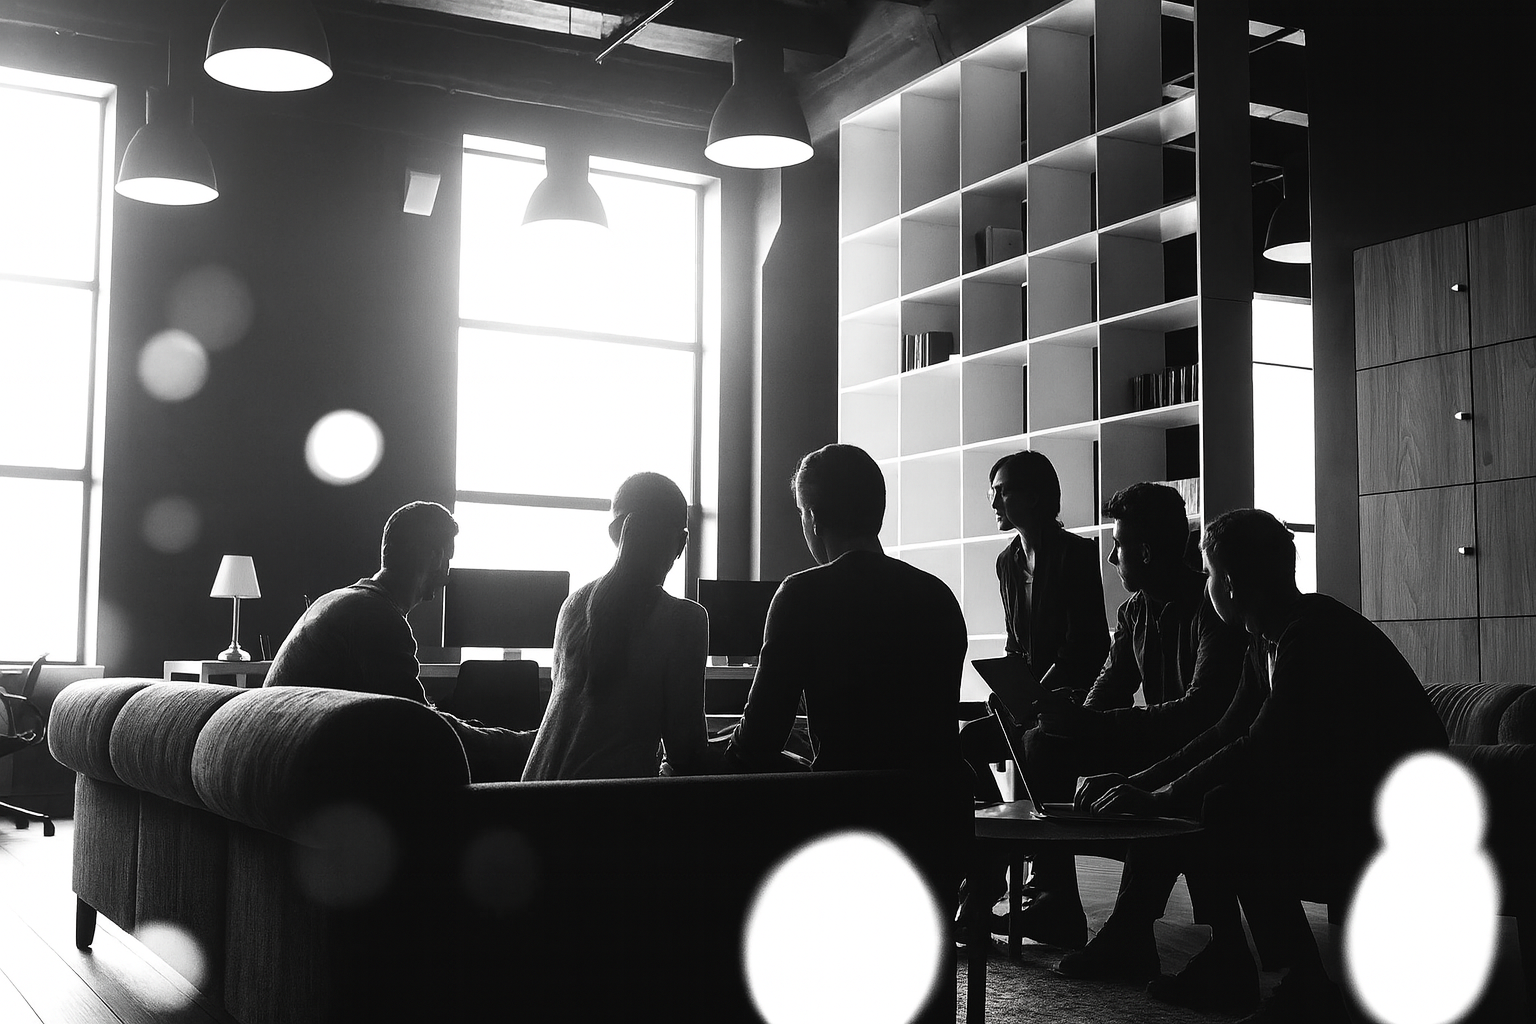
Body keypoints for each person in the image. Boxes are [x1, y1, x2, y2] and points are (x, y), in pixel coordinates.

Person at [1068, 510, 1447, 1022]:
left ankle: (1300, 986)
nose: (1205, 586)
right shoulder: (1266, 635)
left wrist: (1160, 796)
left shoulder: (1309, 634)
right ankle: (1239, 964)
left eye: (1208, 574)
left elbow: (1258, 744)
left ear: (1232, 581)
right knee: (1217, 798)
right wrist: (1138, 783)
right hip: (1354, 792)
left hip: (1398, 810)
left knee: (1227, 804)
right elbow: (1225, 732)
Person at [1001, 483, 1250, 949]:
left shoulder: (1213, 610)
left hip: (1197, 747)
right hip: (1158, 740)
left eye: (1118, 546)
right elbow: (1109, 684)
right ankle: (1056, 895)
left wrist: (1091, 724)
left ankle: (1126, 933)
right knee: (1042, 741)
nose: (1112, 559)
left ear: (1148, 552)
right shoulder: (1134, 611)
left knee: (1171, 789)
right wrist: (1072, 720)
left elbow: (1202, 710)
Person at [724, 444, 967, 775]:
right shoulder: (939, 596)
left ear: (815, 519)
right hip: (938, 807)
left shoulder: (801, 595)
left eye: (801, 512)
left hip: (849, 808)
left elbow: (758, 741)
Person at [265, 501, 534, 782]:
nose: (448, 574)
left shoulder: (343, 601)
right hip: (307, 777)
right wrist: (522, 745)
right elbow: (420, 729)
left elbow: (411, 716)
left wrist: (480, 733)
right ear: (435, 556)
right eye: (448, 559)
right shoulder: (376, 616)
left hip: (289, 768)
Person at [955, 450, 1110, 931]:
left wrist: (1039, 694)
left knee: (1035, 743)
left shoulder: (1076, 554)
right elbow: (1015, 642)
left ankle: (1038, 887)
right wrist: (1008, 687)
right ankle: (998, 856)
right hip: (1030, 703)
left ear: (1036, 496)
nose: (993, 501)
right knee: (964, 745)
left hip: (1071, 701)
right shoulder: (1006, 561)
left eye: (1002, 491)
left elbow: (1088, 644)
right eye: (991, 492)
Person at [522, 472, 713, 781]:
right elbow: (687, 755)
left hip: (527, 805)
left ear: (614, 533)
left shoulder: (571, 606)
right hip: (603, 814)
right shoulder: (685, 619)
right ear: (682, 542)